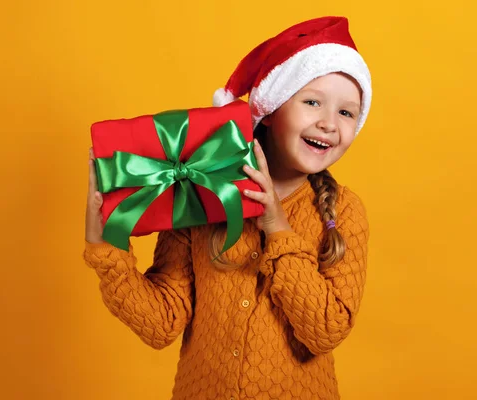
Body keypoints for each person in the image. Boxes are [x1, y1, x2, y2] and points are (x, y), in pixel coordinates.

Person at [83, 16, 372, 400]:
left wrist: (276, 226)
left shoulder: (343, 211)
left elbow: (326, 330)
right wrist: (107, 250)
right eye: (312, 101)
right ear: (269, 110)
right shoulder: (202, 190)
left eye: (346, 112)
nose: (328, 123)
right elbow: (162, 323)